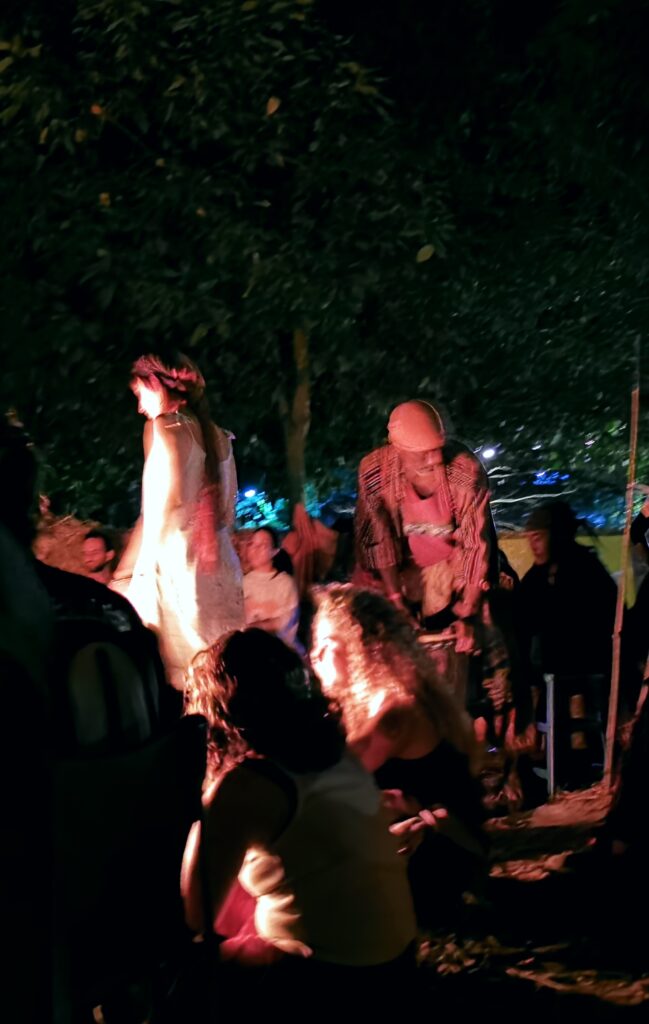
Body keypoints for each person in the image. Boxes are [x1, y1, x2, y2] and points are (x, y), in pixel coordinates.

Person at [180, 628, 417, 1002]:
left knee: (182, 969)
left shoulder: (245, 787)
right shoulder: (335, 754)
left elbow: (196, 914)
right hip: (398, 967)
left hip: (336, 982)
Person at [311, 585, 488, 926]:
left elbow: (326, 779)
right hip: (439, 847)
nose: (314, 656)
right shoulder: (387, 698)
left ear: (361, 647)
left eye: (326, 645)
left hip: (441, 860)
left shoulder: (394, 712)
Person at [112, 352, 244, 689]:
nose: (140, 407)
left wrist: (122, 575)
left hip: (177, 569)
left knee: (176, 679)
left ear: (156, 385)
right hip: (220, 570)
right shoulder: (221, 437)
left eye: (140, 394)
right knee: (221, 676)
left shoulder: (162, 428)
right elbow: (228, 514)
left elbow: (154, 515)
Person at [354, 399, 492, 658]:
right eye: (424, 452)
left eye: (438, 449)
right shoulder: (374, 473)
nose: (436, 459)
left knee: (484, 639)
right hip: (397, 574)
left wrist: (468, 611)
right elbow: (378, 542)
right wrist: (396, 600)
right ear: (398, 448)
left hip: (452, 572)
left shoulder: (464, 471)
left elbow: (476, 545)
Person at [518, 500, 617, 787]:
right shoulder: (535, 579)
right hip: (547, 669)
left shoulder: (586, 569)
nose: (533, 546)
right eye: (530, 538)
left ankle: (582, 764)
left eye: (538, 537)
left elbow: (607, 616)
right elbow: (522, 623)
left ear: (556, 535)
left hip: (586, 662)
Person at [243, 527, 300, 648]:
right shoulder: (243, 582)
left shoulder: (285, 583)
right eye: (252, 544)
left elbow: (285, 622)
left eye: (263, 545)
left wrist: (253, 627)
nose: (255, 549)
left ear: (274, 551)